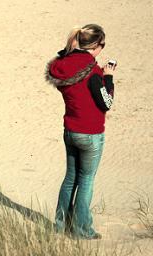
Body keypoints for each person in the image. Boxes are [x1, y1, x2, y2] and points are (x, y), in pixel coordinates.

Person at [45, 24, 116, 239]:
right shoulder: (93, 72)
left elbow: (60, 63)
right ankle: (82, 230)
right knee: (86, 180)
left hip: (71, 131)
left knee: (70, 178)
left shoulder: (62, 67)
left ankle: (60, 226)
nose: (102, 48)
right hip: (90, 134)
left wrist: (74, 49)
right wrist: (109, 77)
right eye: (101, 44)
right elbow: (106, 102)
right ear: (95, 45)